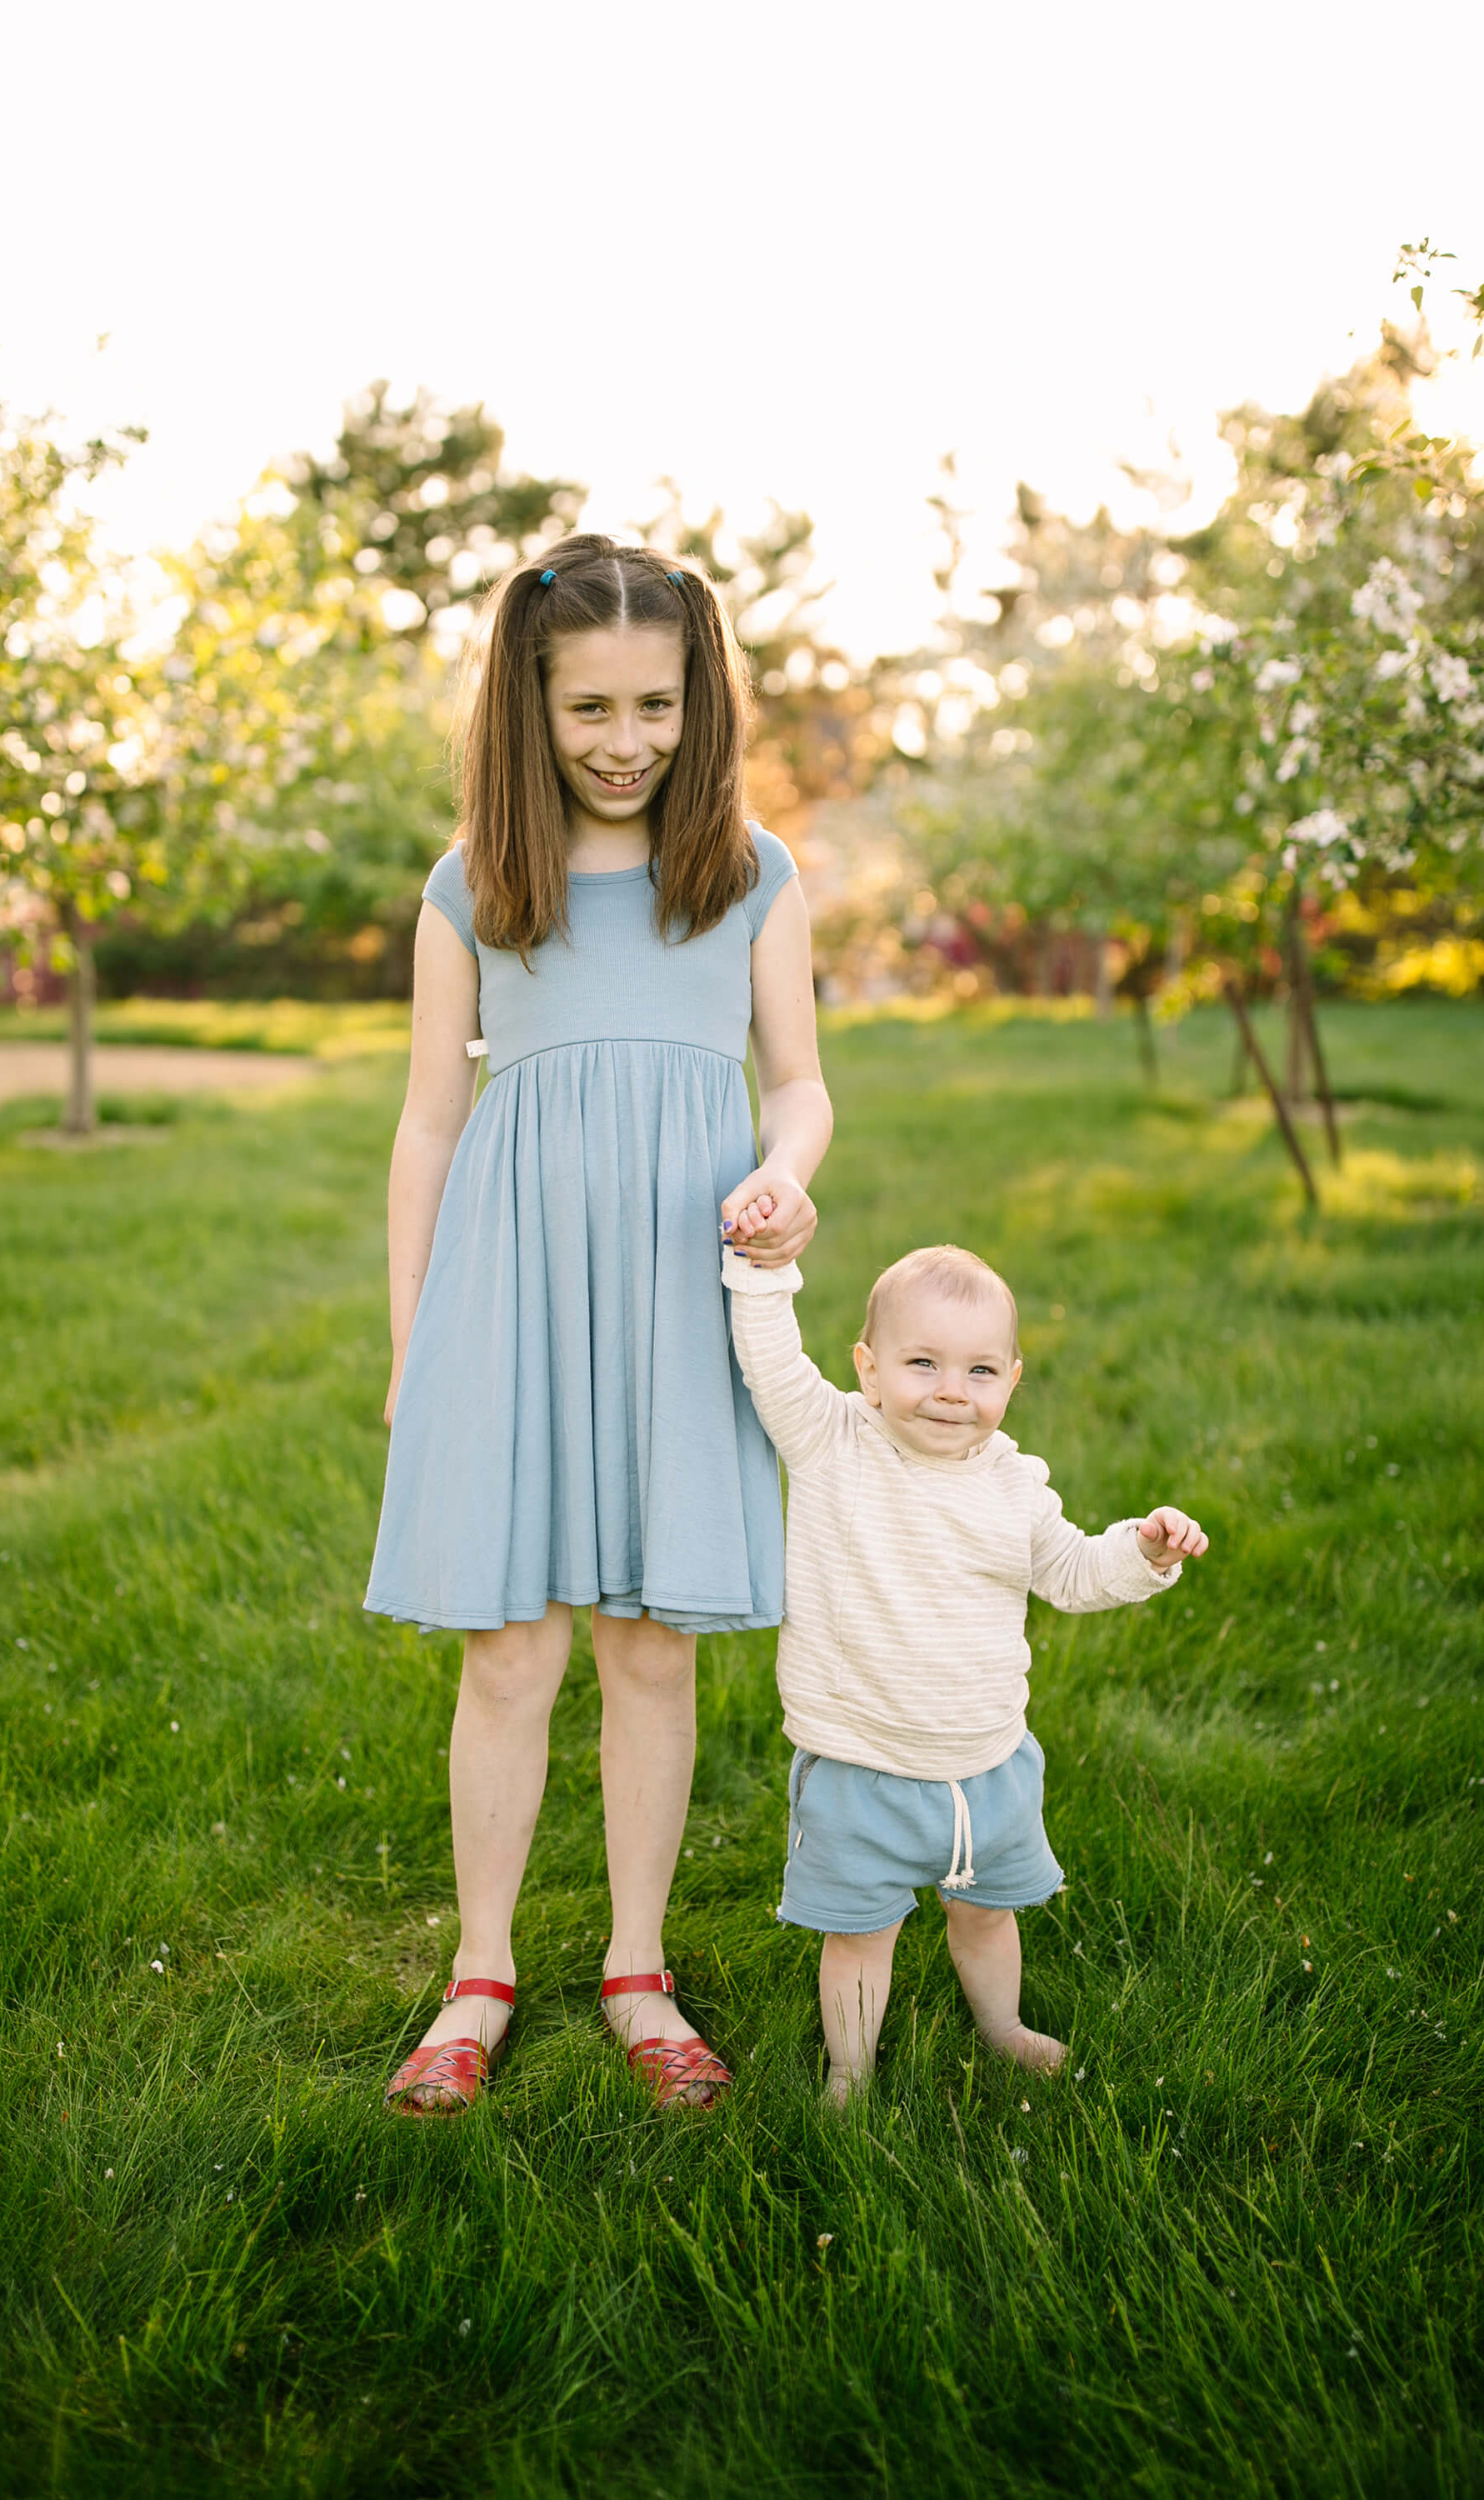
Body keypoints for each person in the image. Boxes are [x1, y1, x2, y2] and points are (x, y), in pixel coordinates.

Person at [367, 536, 831, 2115]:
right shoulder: (476, 884)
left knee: (650, 1642)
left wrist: (785, 1175)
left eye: (656, 705)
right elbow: (429, 1122)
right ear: (530, 707)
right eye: (589, 712)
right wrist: (413, 1334)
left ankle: (638, 1968)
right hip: (511, 1288)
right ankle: (479, 1971)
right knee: (507, 1648)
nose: (627, 740)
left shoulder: (753, 874)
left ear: (701, 701)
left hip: (676, 1287)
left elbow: (804, 1085)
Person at [720, 1224, 1207, 2105]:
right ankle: (848, 2072)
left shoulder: (1011, 1482)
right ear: (866, 1368)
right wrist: (762, 1267)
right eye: (922, 1364)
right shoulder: (832, 1443)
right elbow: (770, 1361)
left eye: (980, 1371)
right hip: (859, 1762)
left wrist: (1143, 1552)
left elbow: (1068, 1571)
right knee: (859, 1937)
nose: (952, 1392)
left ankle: (999, 2026)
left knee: (986, 1916)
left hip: (985, 1765)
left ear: (1011, 1381)